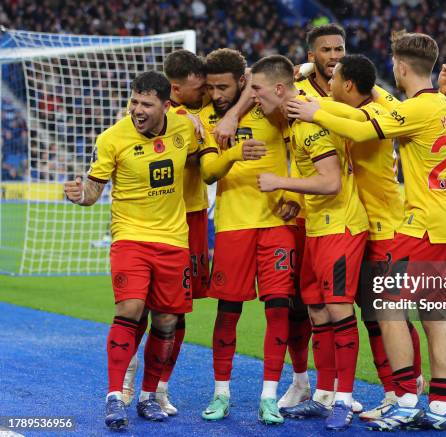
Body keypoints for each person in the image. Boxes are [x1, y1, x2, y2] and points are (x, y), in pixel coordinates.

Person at [287, 32, 446, 431]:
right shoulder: (440, 104)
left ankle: (403, 399)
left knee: (386, 309)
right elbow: (363, 115)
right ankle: (437, 407)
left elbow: (364, 128)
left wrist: (313, 112)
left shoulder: (411, 108)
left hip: (418, 225)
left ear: (400, 68)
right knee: (434, 316)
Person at [64, 71, 200, 430]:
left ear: (166, 105)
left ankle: (147, 396)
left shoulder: (185, 128)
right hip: (130, 237)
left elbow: (201, 156)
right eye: (134, 102)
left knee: (167, 320)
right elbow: (93, 193)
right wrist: (80, 196)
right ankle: (113, 397)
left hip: (173, 240)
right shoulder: (112, 138)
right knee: (130, 307)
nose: (137, 110)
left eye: (146, 104)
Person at [252, 55, 369, 431]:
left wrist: (280, 182)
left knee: (338, 311)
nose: (252, 97)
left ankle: (345, 400)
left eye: (257, 89)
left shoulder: (306, 124)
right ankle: (324, 394)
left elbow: (331, 181)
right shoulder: (293, 118)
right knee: (317, 312)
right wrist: (296, 200)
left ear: (280, 90)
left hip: (341, 227)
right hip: (317, 227)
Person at [198, 48, 297, 425]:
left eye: (223, 87)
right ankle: (221, 392)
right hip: (233, 225)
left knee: (279, 308)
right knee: (228, 311)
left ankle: (269, 395)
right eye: (210, 87)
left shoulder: (273, 106)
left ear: (243, 83)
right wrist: (237, 150)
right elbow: (208, 170)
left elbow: (302, 153)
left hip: (276, 224)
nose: (215, 95)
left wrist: (295, 194)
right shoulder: (206, 117)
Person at [122, 48, 208, 417]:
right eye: (198, 88)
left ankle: (159, 387)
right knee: (139, 307)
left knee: (177, 311)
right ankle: (128, 374)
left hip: (194, 217)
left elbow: (249, 78)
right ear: (177, 87)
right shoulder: (152, 118)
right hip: (159, 221)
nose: (205, 93)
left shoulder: (197, 116)